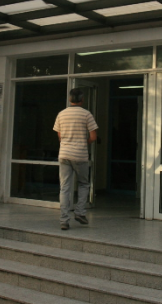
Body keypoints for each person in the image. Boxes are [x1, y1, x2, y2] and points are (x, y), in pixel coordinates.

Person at [53, 88, 98, 230]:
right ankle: (79, 212)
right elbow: (93, 137)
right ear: (82, 100)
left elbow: (59, 136)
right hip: (80, 155)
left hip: (64, 154)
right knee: (84, 184)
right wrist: (83, 143)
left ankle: (64, 220)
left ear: (69, 99)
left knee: (64, 188)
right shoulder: (86, 115)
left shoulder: (61, 114)